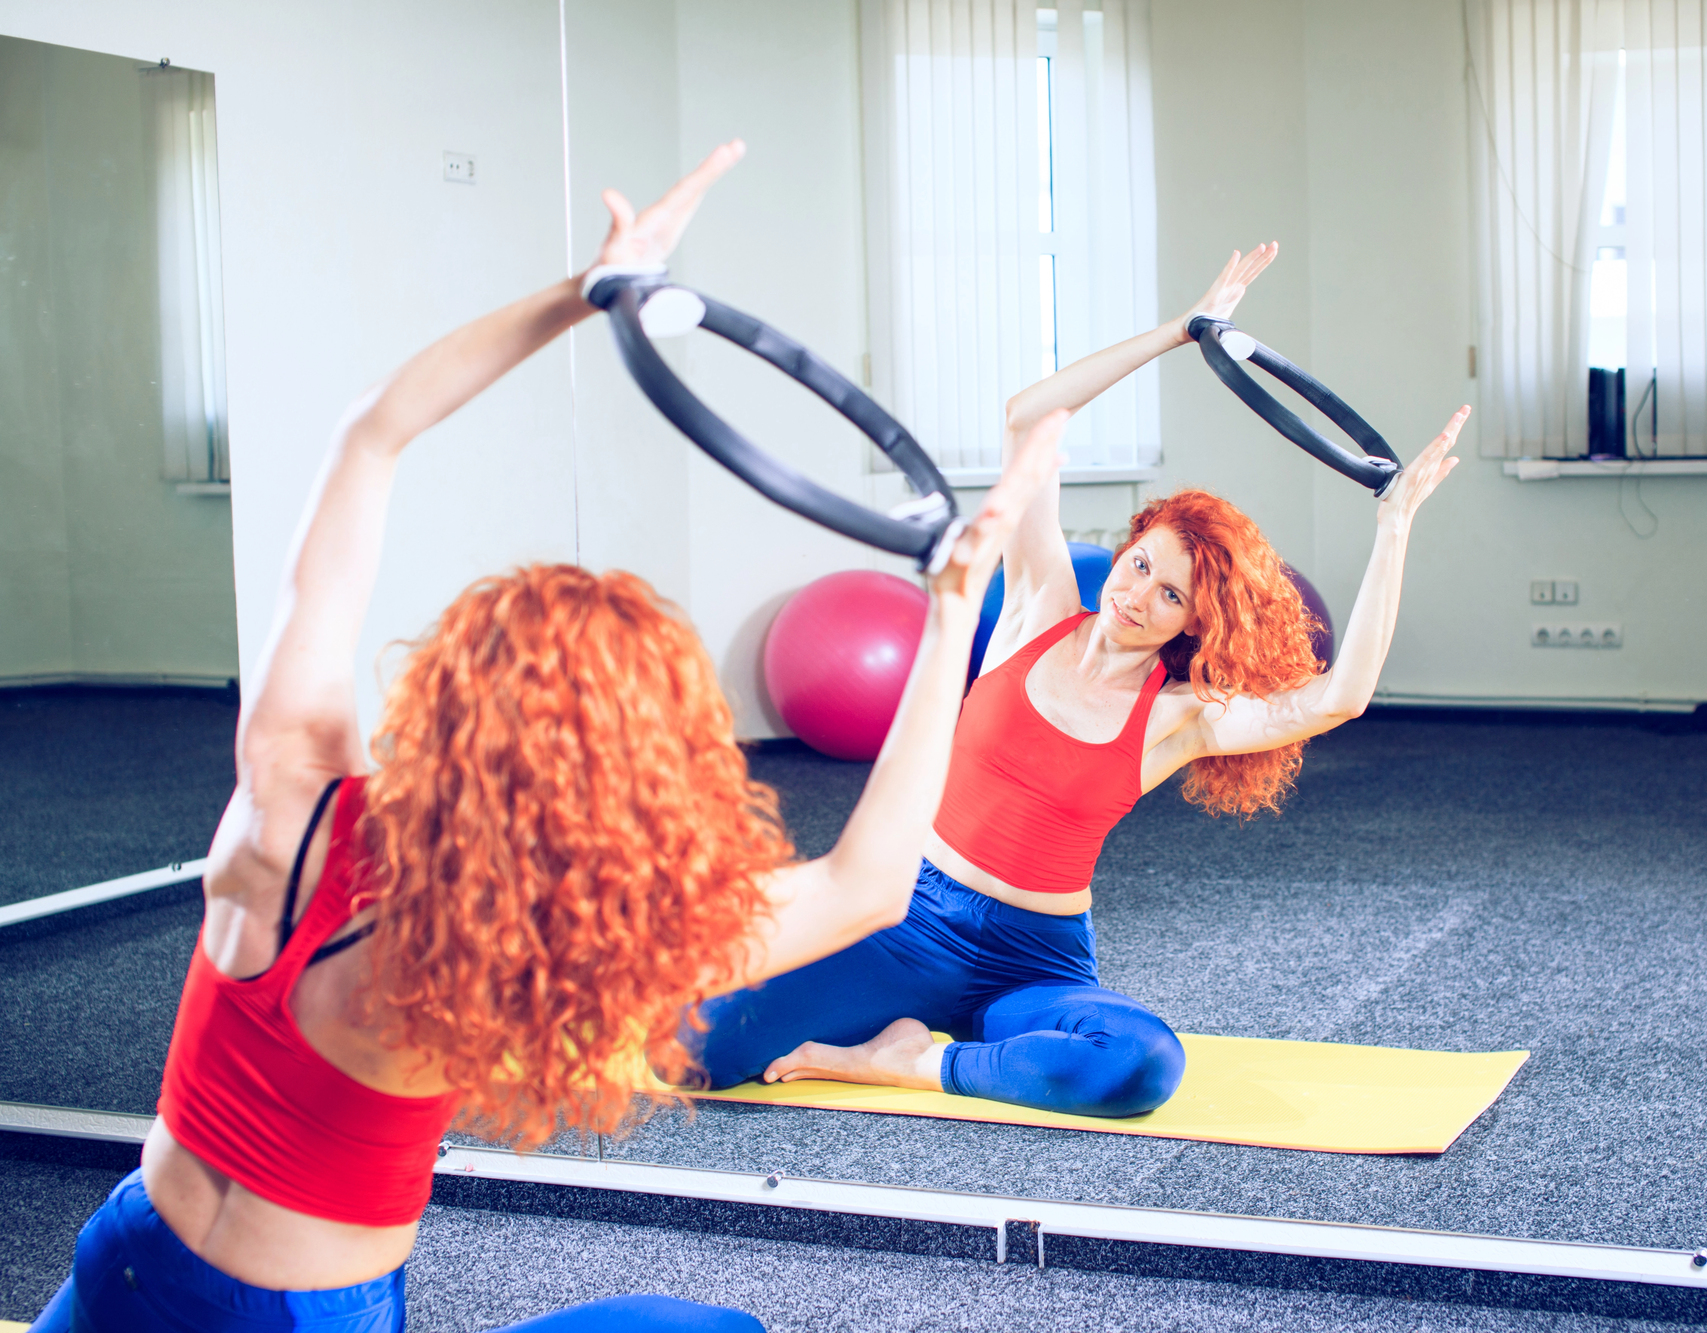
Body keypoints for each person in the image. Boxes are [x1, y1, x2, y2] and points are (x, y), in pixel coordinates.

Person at [26, 140, 1063, 1333]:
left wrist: (590, 288)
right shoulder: (568, 948)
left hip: (126, 1260)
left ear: (449, 701)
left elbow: (369, 434)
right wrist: (947, 615)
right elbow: (867, 884)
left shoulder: (288, 803)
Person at [692, 243, 1468, 1119]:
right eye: (1139, 565)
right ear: (1125, 548)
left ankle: (907, 1062)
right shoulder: (1037, 608)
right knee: (693, 1048)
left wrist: (1394, 525)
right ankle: (921, 1037)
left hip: (1036, 957)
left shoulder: (1180, 716)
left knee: (1140, 1066)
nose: (1136, 595)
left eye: (1170, 593)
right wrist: (1179, 331)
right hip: (904, 922)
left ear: (1194, 622)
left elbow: (1340, 698)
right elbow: (1029, 417)